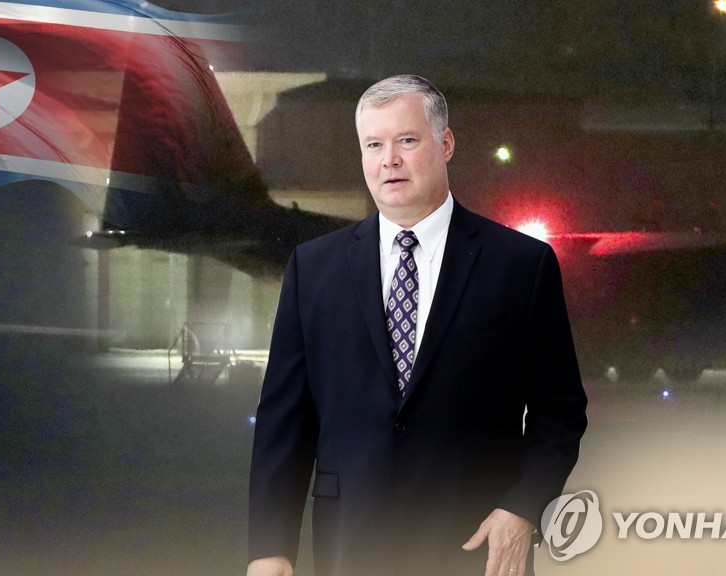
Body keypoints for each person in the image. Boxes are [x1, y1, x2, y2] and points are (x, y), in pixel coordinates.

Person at [247, 75, 587, 576]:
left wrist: (523, 509)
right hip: (350, 545)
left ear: (445, 144)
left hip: (475, 546)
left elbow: (560, 410)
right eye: (374, 145)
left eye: (406, 140)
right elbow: (284, 417)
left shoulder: (520, 265)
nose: (389, 160)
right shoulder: (313, 268)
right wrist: (269, 547)